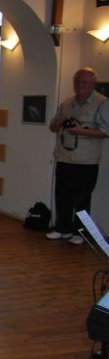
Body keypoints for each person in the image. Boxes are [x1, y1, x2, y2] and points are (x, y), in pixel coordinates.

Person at [46, 68, 109, 245]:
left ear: (93, 84)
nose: (80, 85)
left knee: (82, 199)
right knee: (62, 195)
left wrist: (80, 131)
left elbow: (106, 131)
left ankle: (80, 233)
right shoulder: (67, 102)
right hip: (64, 156)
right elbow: (53, 127)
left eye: (84, 82)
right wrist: (62, 120)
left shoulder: (102, 103)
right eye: (77, 81)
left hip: (87, 161)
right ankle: (62, 228)